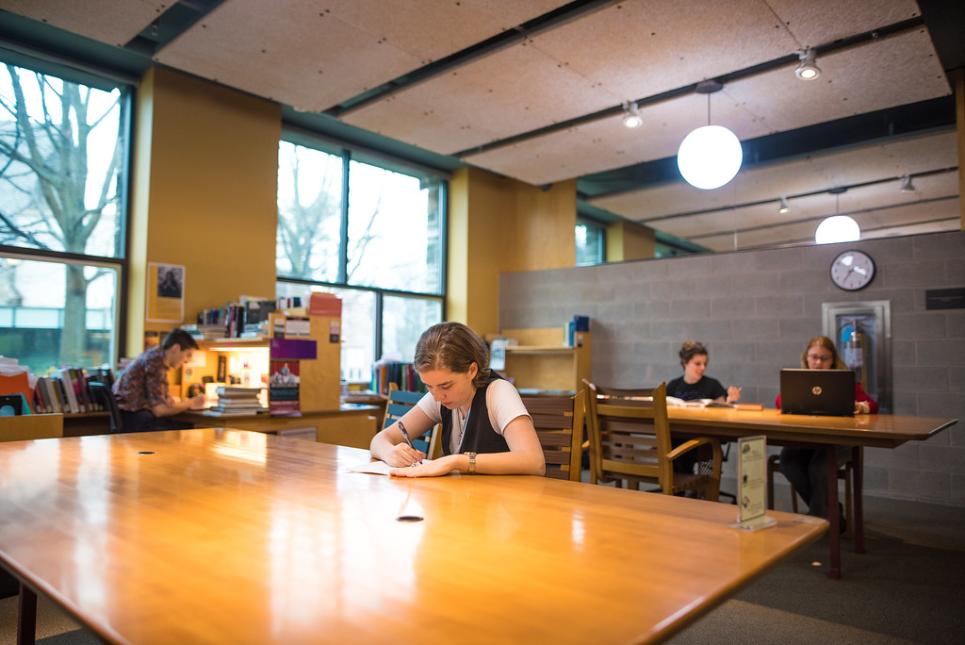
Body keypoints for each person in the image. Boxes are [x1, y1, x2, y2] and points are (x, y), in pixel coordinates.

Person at [370, 322, 545, 478]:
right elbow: (380, 439)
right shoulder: (438, 396)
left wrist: (456, 462)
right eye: (429, 386)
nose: (437, 396)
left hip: (507, 504)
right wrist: (390, 452)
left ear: (472, 370)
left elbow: (534, 461)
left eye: (446, 386)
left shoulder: (498, 392)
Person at [776, 336, 878, 524]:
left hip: (840, 440)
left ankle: (820, 519)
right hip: (809, 439)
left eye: (824, 358)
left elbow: (872, 404)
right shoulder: (799, 380)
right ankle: (832, 512)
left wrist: (861, 407)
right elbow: (780, 401)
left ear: (832, 360)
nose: (818, 362)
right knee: (788, 461)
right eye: (814, 357)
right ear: (806, 357)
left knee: (819, 466)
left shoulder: (843, 379)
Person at [113, 328, 206, 433]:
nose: (187, 360)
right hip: (135, 418)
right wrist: (191, 402)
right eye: (187, 355)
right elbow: (159, 410)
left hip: (130, 415)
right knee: (189, 429)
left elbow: (158, 396)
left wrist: (167, 398)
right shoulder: (156, 363)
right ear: (176, 348)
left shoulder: (155, 355)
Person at [666, 340, 741, 403]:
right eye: (697, 364)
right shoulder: (673, 385)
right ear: (685, 363)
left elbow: (724, 407)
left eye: (705, 364)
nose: (703, 367)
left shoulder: (713, 385)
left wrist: (730, 399)